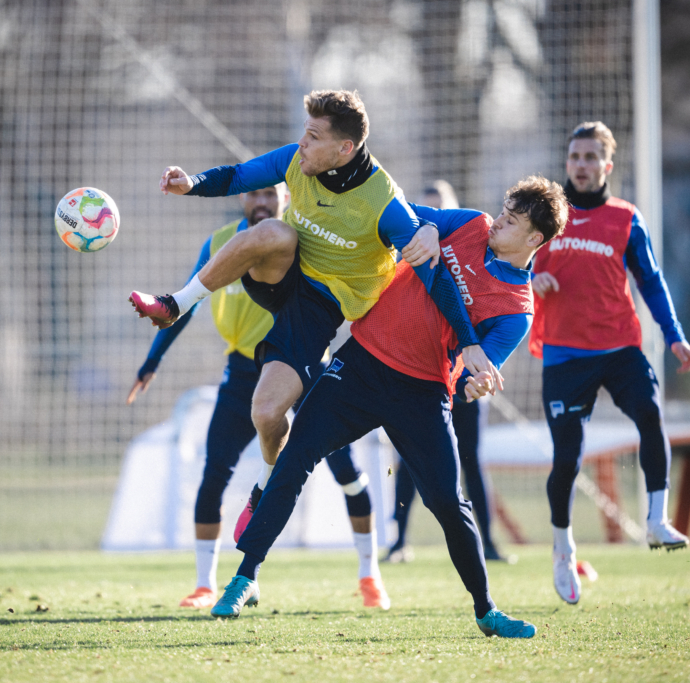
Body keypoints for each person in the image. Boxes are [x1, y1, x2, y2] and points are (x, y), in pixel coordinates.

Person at [210, 176, 569, 641]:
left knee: (447, 501)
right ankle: (245, 577)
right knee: (296, 455)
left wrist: (477, 384)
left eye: (513, 220)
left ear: (535, 238)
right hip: (360, 364)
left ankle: (486, 610)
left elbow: (477, 373)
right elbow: (397, 212)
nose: (499, 220)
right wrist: (426, 230)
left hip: (421, 394)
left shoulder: (517, 309)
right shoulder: (473, 225)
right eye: (505, 211)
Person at [130, 90, 500, 540]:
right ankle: (175, 304)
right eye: (304, 133)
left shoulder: (383, 201)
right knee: (272, 230)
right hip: (282, 273)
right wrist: (192, 183)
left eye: (313, 136)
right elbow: (240, 176)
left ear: (345, 149)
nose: (302, 143)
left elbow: (437, 277)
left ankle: (264, 488)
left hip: (318, 311)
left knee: (267, 415)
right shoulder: (297, 160)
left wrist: (469, 341)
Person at [127, 183, 390, 610]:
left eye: (271, 193)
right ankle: (204, 584)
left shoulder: (298, 239)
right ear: (242, 200)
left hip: (306, 367)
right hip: (243, 370)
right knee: (214, 475)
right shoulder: (220, 244)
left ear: (286, 199)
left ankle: (369, 574)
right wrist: (152, 361)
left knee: (348, 473)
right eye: (254, 194)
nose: (262, 201)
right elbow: (187, 303)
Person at [529, 121, 690, 606]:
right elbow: (507, 267)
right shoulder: (543, 217)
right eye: (574, 157)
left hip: (621, 347)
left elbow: (651, 282)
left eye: (590, 158)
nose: (581, 165)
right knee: (567, 459)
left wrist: (675, 338)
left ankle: (655, 520)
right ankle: (563, 550)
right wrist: (530, 283)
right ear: (567, 163)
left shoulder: (627, 219)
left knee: (650, 415)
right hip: (564, 354)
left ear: (607, 165)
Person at [386, 180, 509, 564]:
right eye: (425, 212)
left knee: (470, 458)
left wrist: (483, 367)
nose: (428, 223)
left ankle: (487, 542)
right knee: (407, 457)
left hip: (462, 371)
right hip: (421, 367)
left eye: (436, 210)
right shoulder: (414, 252)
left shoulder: (474, 248)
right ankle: (398, 541)